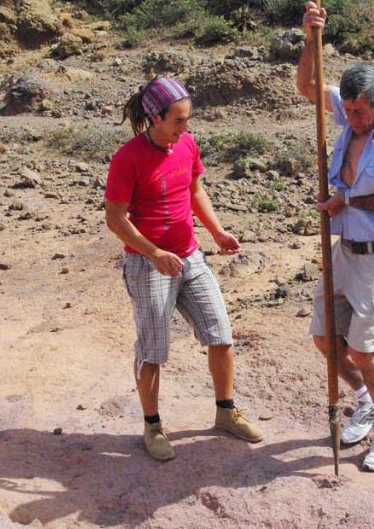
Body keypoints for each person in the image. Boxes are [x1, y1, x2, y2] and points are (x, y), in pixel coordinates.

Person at [104, 76, 263, 462]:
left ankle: (225, 412)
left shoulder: (187, 145)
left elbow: (194, 191)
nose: (185, 127)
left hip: (189, 256)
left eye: (187, 119)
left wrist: (218, 232)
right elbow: (115, 219)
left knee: (220, 334)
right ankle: (153, 425)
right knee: (153, 349)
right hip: (148, 264)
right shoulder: (129, 158)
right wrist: (154, 252)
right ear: (154, 118)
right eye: (178, 120)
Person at [297, 2, 374, 471]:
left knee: (362, 350)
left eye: (360, 111)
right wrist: (311, 40)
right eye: (347, 110)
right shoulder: (349, 116)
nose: (352, 119)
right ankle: (366, 401)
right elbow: (307, 86)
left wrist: (346, 202)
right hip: (344, 251)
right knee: (326, 339)